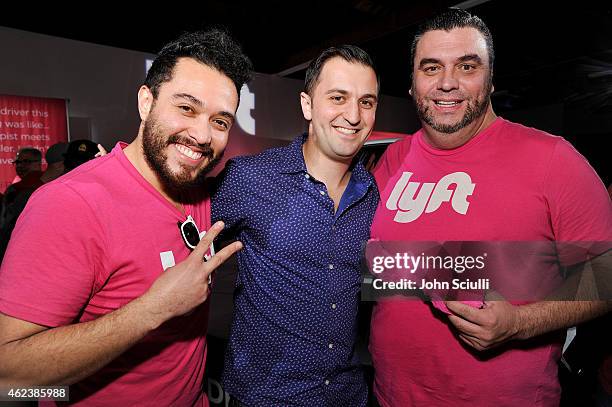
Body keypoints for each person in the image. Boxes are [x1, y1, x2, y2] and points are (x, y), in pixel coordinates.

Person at [368, 8, 612, 406]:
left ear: (492, 79)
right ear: (412, 84)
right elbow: (380, 266)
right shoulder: (394, 158)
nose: (447, 83)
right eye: (431, 68)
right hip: (391, 397)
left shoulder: (553, 159)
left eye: (467, 66)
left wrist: (519, 323)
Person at [0, 29, 251, 407]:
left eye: (220, 121)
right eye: (186, 108)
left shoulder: (198, 190)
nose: (202, 134)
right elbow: (7, 379)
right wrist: (152, 310)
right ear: (146, 102)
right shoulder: (71, 204)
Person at [212, 45, 380, 406]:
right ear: (307, 105)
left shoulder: (374, 194)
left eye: (366, 102)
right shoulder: (251, 178)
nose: (353, 115)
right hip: (267, 397)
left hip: (348, 396)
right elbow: (177, 224)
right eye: (338, 97)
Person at [0, 147, 44, 260]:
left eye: (26, 162)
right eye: (18, 162)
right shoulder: (14, 189)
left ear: (39, 163)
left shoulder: (47, 185)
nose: (20, 166)